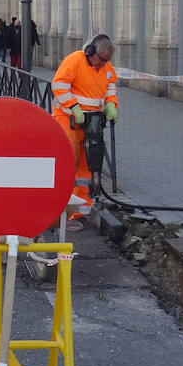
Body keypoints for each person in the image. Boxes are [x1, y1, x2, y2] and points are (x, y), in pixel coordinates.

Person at [51, 34, 119, 230]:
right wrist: (74, 107)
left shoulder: (106, 67)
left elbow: (110, 89)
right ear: (90, 52)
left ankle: (80, 211)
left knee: (87, 168)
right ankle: (61, 211)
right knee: (68, 164)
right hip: (69, 120)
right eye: (101, 60)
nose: (103, 64)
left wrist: (111, 105)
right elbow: (59, 85)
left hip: (92, 123)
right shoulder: (74, 61)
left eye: (106, 61)